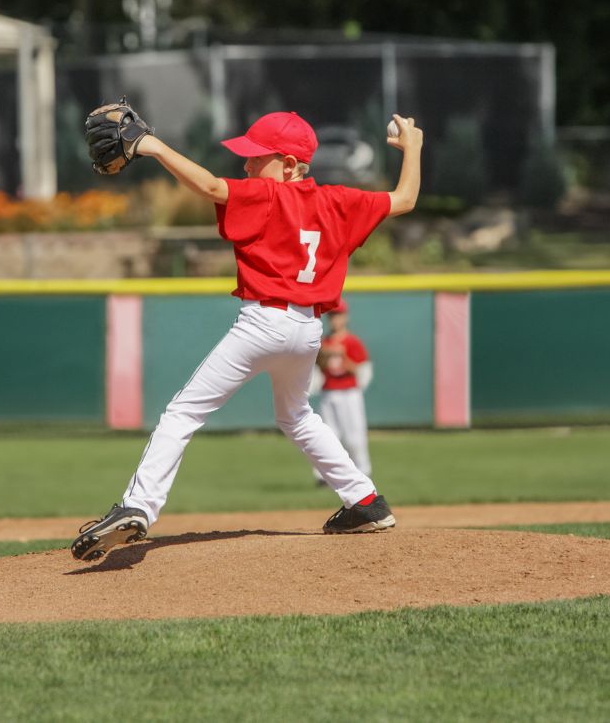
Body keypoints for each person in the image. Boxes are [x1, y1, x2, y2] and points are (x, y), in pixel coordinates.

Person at [71, 110, 424, 561]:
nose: (247, 166)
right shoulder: (340, 201)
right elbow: (405, 199)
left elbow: (212, 187)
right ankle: (366, 502)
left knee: (182, 412)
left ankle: (139, 506)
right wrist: (411, 148)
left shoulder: (269, 196)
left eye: (257, 158)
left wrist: (154, 147)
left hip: (263, 324)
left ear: (291, 165)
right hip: (307, 331)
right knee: (296, 416)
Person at [313, 298, 374, 483]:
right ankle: (324, 476)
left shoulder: (352, 342)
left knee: (354, 435)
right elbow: (317, 370)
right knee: (327, 436)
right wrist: (324, 356)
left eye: (338, 315)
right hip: (329, 392)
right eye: (332, 315)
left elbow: (363, 371)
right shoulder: (323, 342)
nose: (335, 319)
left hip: (349, 392)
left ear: (345, 317)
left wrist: (343, 356)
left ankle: (363, 471)